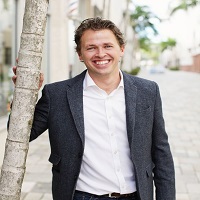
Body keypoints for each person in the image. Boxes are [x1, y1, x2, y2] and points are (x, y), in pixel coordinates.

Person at [12, 17, 175, 200]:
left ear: (121, 49)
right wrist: (24, 94)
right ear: (80, 54)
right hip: (82, 196)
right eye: (91, 48)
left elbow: (161, 153)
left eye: (107, 46)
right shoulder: (56, 95)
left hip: (137, 195)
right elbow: (20, 133)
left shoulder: (148, 91)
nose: (100, 54)